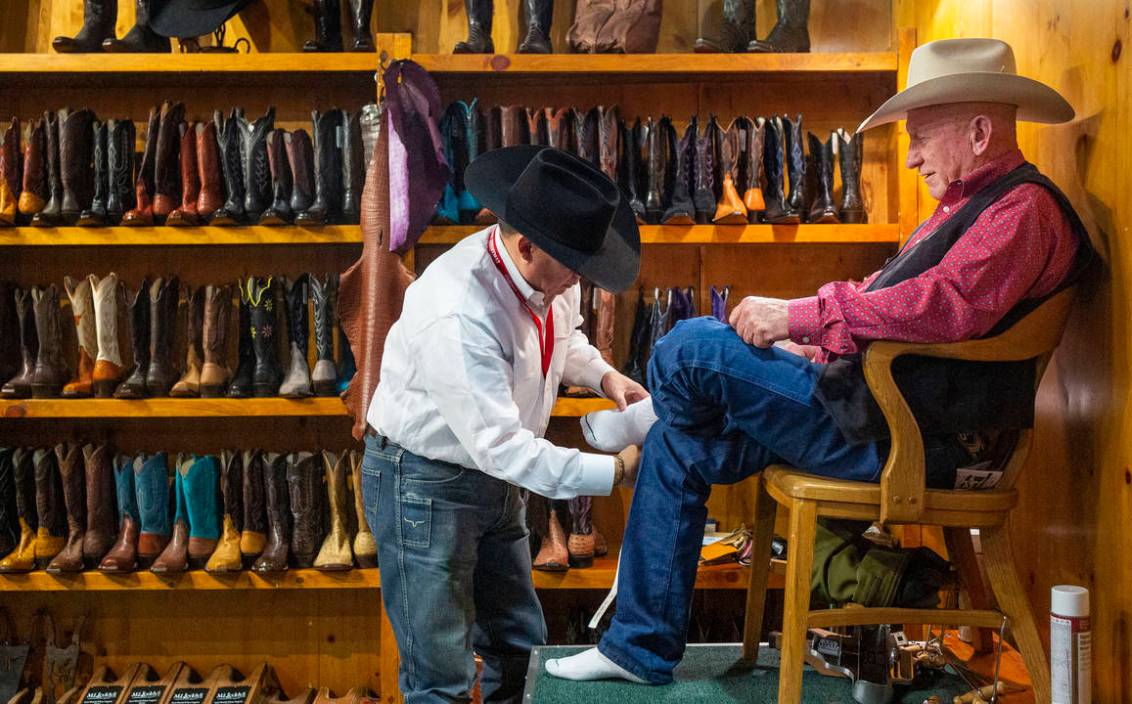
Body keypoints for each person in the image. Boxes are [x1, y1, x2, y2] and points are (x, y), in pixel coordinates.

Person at [547, 37, 1094, 685]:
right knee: (675, 444)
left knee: (692, 345)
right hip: (877, 409)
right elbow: (895, 306)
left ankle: (650, 413)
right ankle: (635, 649)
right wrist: (817, 339)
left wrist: (801, 316)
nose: (912, 156)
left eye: (920, 138)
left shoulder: (1021, 212)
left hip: (912, 437)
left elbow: (941, 307)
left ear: (979, 132)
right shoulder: (973, 211)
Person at [362, 145, 649, 703]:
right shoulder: (458, 310)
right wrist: (614, 471)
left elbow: (562, 337)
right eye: (572, 268)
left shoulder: (550, 272)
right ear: (526, 246)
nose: (576, 282)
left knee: (519, 645)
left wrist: (607, 378)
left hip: (495, 479)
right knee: (440, 675)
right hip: (424, 483)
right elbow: (501, 446)